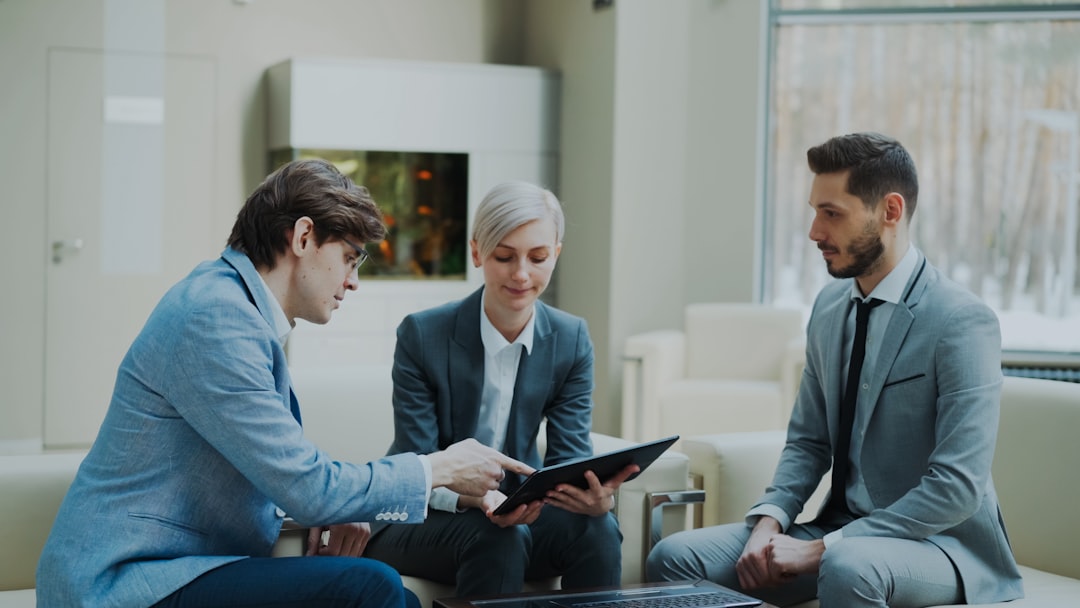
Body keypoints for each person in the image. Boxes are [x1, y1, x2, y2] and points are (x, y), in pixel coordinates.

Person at [36, 159, 532, 608]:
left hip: (171, 568)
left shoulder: (231, 307)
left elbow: (274, 469)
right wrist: (437, 467)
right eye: (350, 257)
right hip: (123, 584)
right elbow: (306, 484)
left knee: (393, 595)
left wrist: (328, 505)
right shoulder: (214, 318)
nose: (354, 281)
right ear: (302, 238)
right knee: (371, 587)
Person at [647, 133, 1024, 607]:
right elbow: (809, 442)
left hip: (942, 546)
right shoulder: (828, 308)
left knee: (848, 565)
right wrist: (770, 522)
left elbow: (958, 487)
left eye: (832, 213)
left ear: (890, 211)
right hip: (839, 531)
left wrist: (823, 548)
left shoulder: (960, 321)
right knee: (676, 556)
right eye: (814, 211)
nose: (814, 232)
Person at [364, 181, 637, 597]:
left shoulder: (571, 339)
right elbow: (418, 456)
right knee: (498, 537)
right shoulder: (423, 334)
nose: (522, 274)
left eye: (539, 257)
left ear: (556, 255)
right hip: (425, 513)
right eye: (504, 256)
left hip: (519, 508)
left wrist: (592, 497)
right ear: (477, 252)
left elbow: (568, 458)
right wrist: (479, 499)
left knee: (597, 528)